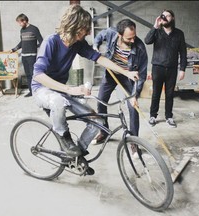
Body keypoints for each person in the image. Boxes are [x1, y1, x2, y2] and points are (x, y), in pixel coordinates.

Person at [32, 5, 138, 159]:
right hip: (42, 90)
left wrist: (125, 72)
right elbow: (38, 75)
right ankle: (64, 138)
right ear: (75, 26)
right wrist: (70, 89)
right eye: (85, 28)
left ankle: (77, 155)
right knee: (58, 101)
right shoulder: (51, 42)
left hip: (61, 91)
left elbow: (100, 58)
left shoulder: (77, 44)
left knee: (97, 121)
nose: (88, 32)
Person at [92, 19, 148, 143]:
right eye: (129, 38)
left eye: (134, 37)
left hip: (128, 77)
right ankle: (104, 132)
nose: (133, 41)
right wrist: (95, 45)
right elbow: (100, 36)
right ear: (119, 35)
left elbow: (142, 75)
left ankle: (134, 142)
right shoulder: (111, 33)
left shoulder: (140, 48)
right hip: (111, 73)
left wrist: (135, 95)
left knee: (133, 107)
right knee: (101, 102)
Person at [144, 9, 187, 128]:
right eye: (163, 15)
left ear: (172, 18)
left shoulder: (179, 33)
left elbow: (183, 52)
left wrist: (182, 69)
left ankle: (169, 117)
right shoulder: (157, 32)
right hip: (158, 67)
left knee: (170, 94)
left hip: (172, 69)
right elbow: (147, 41)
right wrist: (155, 26)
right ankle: (153, 116)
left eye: (168, 16)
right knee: (156, 93)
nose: (165, 17)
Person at [11, 13, 43, 97]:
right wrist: (14, 49)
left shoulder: (34, 29)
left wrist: (34, 47)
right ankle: (31, 91)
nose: (19, 24)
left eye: (20, 22)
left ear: (24, 21)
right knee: (28, 74)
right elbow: (22, 42)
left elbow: (42, 41)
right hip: (24, 55)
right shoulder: (22, 30)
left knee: (33, 74)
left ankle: (37, 91)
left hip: (32, 55)